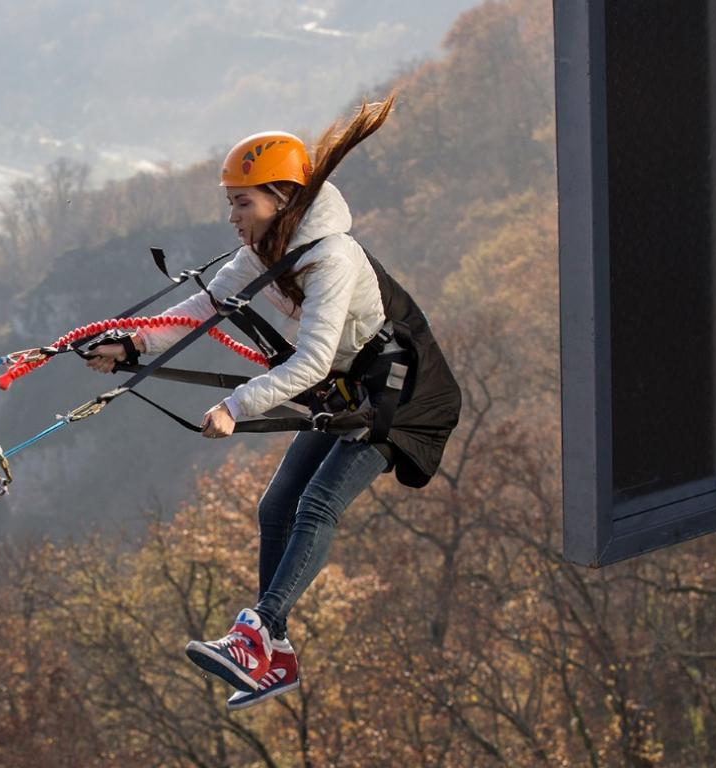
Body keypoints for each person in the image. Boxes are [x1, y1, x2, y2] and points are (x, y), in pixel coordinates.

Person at [84, 94, 460, 710]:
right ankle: (272, 657)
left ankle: (256, 633)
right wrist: (130, 343)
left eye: (242, 202)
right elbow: (201, 310)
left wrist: (238, 407)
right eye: (230, 202)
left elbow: (310, 359)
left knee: (316, 505)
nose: (232, 216)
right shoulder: (263, 251)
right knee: (275, 507)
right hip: (352, 389)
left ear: (282, 199)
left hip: (403, 398)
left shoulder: (332, 257)